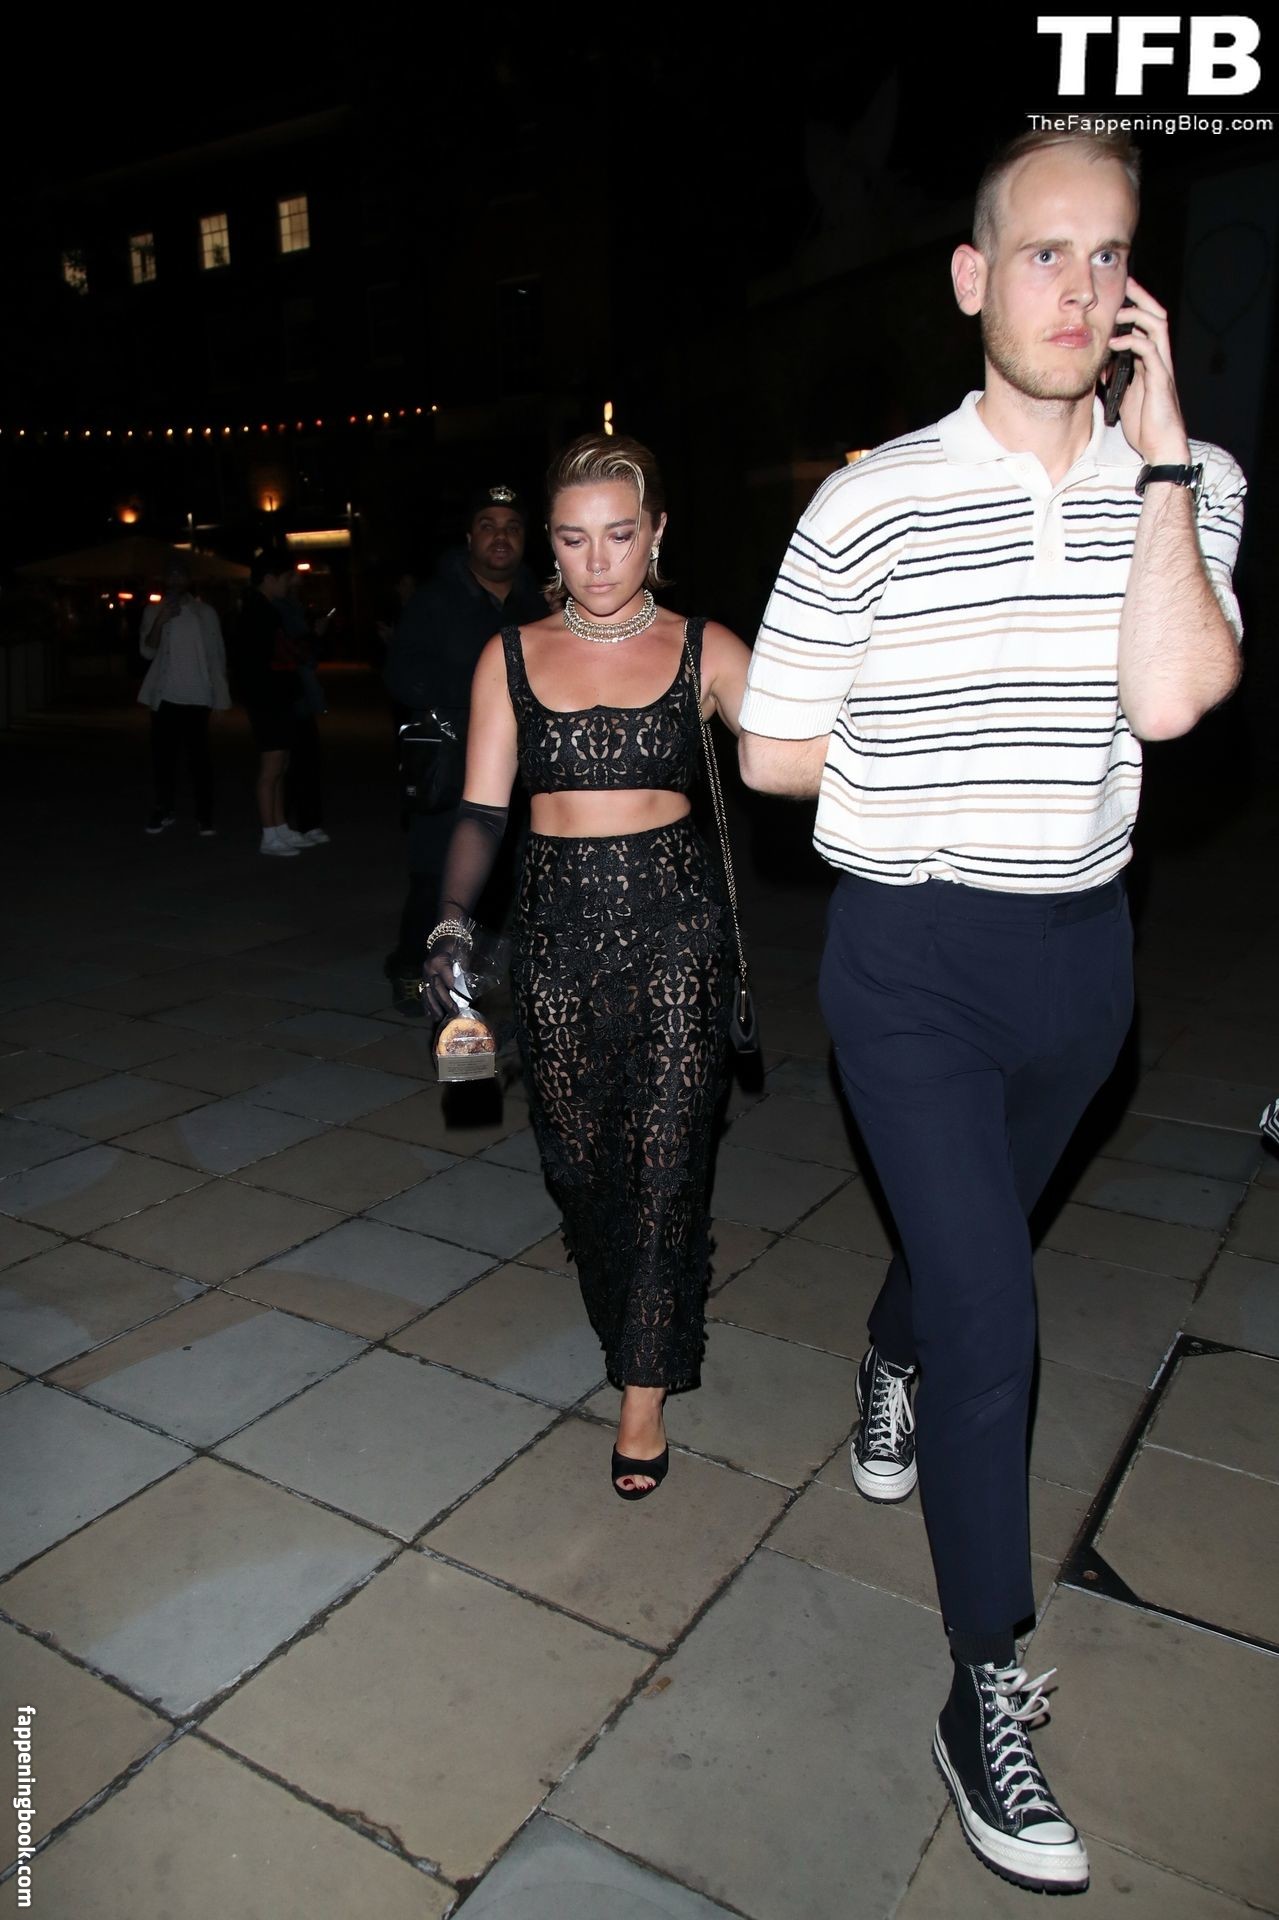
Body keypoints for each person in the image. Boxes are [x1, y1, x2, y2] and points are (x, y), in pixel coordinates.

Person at [738, 128, 1244, 1895]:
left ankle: (885, 1351)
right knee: (994, 1316)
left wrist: (1157, 463)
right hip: (907, 960)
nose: (1077, 289)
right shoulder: (865, 502)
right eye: (1041, 253)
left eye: (1108, 256)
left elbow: (1171, 700)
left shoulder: (1191, 481)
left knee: (962, 1268)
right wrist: (926, 749)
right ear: (970, 278)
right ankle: (980, 1693)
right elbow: (773, 753)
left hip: (1080, 965)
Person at [424, 435, 751, 1497]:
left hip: (677, 935)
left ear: (656, 533)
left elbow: (796, 754)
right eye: (572, 539)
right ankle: (634, 1319)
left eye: (619, 535)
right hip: (556, 938)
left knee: (668, 1165)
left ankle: (643, 1388)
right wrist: (449, 925)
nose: (597, 561)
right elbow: (482, 812)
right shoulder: (509, 656)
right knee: (577, 1165)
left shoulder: (705, 647)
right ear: (550, 547)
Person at [383, 488, 548, 1011]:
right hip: (450, 769)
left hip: (522, 772)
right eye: (488, 525)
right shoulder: (435, 601)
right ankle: (412, 966)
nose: (501, 537)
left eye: (512, 527)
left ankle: (486, 979)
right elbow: (401, 676)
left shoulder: (540, 604)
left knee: (512, 878)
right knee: (437, 877)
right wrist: (484, 691)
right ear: (469, 537)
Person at [137, 558, 231, 835]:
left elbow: (217, 656)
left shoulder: (206, 613)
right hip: (165, 697)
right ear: (164, 580)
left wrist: (221, 697)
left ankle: (204, 815)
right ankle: (163, 809)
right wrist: (159, 621)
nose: (175, 579)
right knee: (163, 760)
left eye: (180, 575)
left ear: (189, 580)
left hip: (198, 697)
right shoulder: (153, 610)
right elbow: (147, 652)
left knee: (200, 761)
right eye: (171, 575)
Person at [236, 549, 311, 858]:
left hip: (274, 696)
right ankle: (269, 833)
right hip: (267, 698)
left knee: (281, 764)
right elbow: (265, 659)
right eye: (285, 577)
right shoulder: (258, 611)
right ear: (269, 578)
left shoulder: (264, 608)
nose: (290, 582)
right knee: (271, 767)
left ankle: (279, 826)